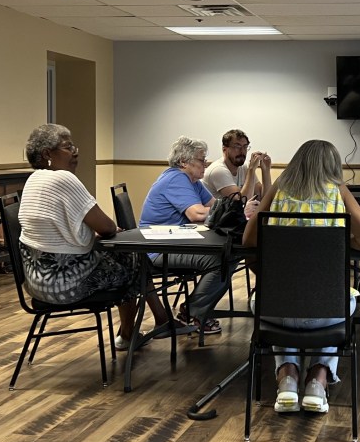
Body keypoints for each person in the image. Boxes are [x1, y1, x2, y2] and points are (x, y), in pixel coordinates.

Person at [18, 124, 194, 351]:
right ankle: (134, 332)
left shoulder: (33, 180)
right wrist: (106, 230)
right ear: (47, 154)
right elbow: (108, 227)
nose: (75, 151)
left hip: (36, 283)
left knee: (129, 259)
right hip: (64, 285)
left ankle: (155, 322)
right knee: (132, 261)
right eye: (68, 146)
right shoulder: (64, 179)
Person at [243, 140, 360, 414]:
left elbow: (248, 240)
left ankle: (287, 378)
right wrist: (345, 238)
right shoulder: (338, 191)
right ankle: (318, 380)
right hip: (327, 311)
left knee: (286, 293)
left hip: (272, 311)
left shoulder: (278, 188)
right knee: (333, 298)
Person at [139, 136, 229, 335]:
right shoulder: (176, 178)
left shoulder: (192, 180)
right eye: (201, 159)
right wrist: (229, 211)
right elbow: (197, 214)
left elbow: (213, 205)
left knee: (227, 257)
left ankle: (194, 310)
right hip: (158, 249)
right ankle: (192, 313)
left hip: (176, 242)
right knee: (219, 261)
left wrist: (234, 208)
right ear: (183, 162)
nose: (205, 163)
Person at [202, 129, 272, 218]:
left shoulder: (245, 167)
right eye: (237, 147)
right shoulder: (218, 170)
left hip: (234, 220)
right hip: (216, 222)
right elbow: (242, 203)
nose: (242, 151)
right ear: (225, 149)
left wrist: (266, 170)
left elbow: (264, 199)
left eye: (245, 147)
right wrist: (251, 170)